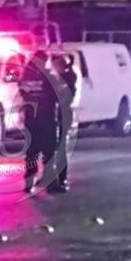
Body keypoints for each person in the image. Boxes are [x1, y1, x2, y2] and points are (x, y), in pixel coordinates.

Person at [20, 50, 63, 194]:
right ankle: (51, 184)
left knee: (31, 153)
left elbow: (23, 94)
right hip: (47, 120)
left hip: (31, 120)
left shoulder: (25, 77)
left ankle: (28, 183)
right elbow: (59, 95)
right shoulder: (49, 77)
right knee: (49, 153)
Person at [50, 53, 80, 193]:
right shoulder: (61, 78)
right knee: (55, 149)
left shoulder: (67, 78)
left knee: (61, 149)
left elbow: (66, 96)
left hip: (63, 115)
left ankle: (61, 179)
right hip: (57, 116)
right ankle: (56, 178)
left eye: (55, 65)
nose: (53, 67)